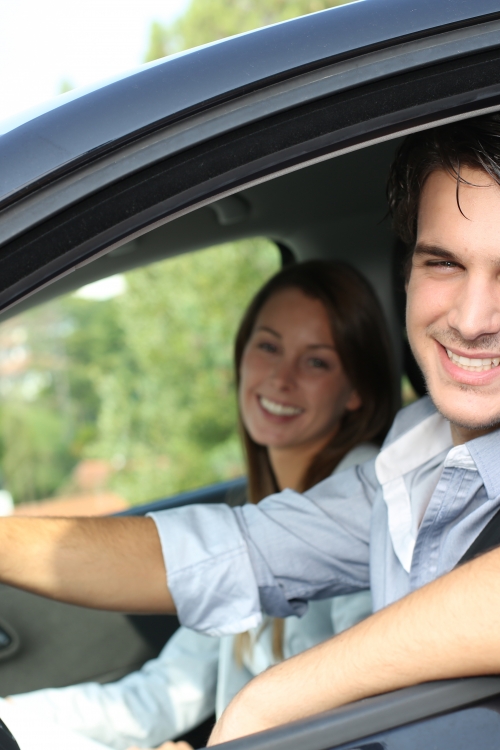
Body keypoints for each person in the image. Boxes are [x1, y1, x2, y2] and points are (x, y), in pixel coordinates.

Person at [0, 113, 497, 746]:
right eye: (444, 263)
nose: (472, 319)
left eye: (316, 362)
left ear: (355, 388)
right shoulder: (404, 472)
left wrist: (266, 704)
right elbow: (222, 556)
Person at [5, 261, 395, 750]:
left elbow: (374, 707)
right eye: (268, 347)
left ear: (357, 389)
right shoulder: (264, 513)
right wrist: (11, 715)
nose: (281, 377)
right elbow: (163, 696)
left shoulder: (367, 502)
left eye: (316, 362)